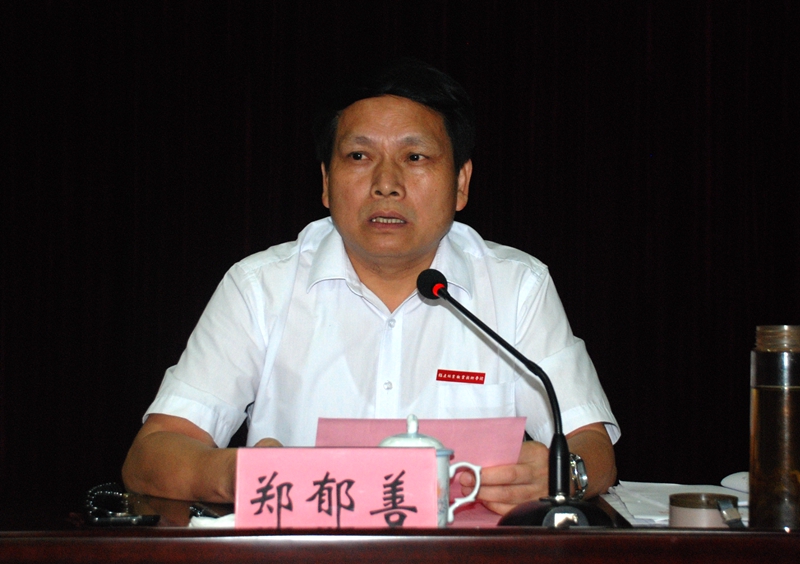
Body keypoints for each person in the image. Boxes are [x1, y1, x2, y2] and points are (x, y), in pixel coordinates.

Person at [122, 59, 619, 516]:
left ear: (461, 183)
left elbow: (592, 448)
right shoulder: (260, 287)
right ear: (325, 181)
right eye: (359, 155)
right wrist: (240, 476)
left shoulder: (517, 286)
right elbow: (151, 455)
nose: (386, 183)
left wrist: (562, 474)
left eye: (415, 157)